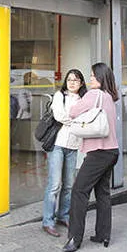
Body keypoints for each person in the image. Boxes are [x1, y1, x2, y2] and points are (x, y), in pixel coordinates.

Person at [63, 62, 119, 252]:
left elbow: (72, 112)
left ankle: (74, 238)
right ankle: (103, 234)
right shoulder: (109, 97)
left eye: (94, 76)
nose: (90, 79)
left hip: (98, 153)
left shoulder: (94, 94)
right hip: (112, 151)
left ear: (101, 78)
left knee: (79, 191)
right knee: (102, 193)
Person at [42, 69, 86, 237]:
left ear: (81, 83)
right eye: (69, 80)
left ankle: (63, 215)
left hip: (74, 146)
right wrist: (77, 121)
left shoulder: (84, 99)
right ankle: (48, 221)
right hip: (58, 145)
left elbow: (88, 117)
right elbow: (60, 115)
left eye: (76, 80)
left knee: (69, 185)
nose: (72, 82)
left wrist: (78, 121)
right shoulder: (60, 96)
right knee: (54, 185)